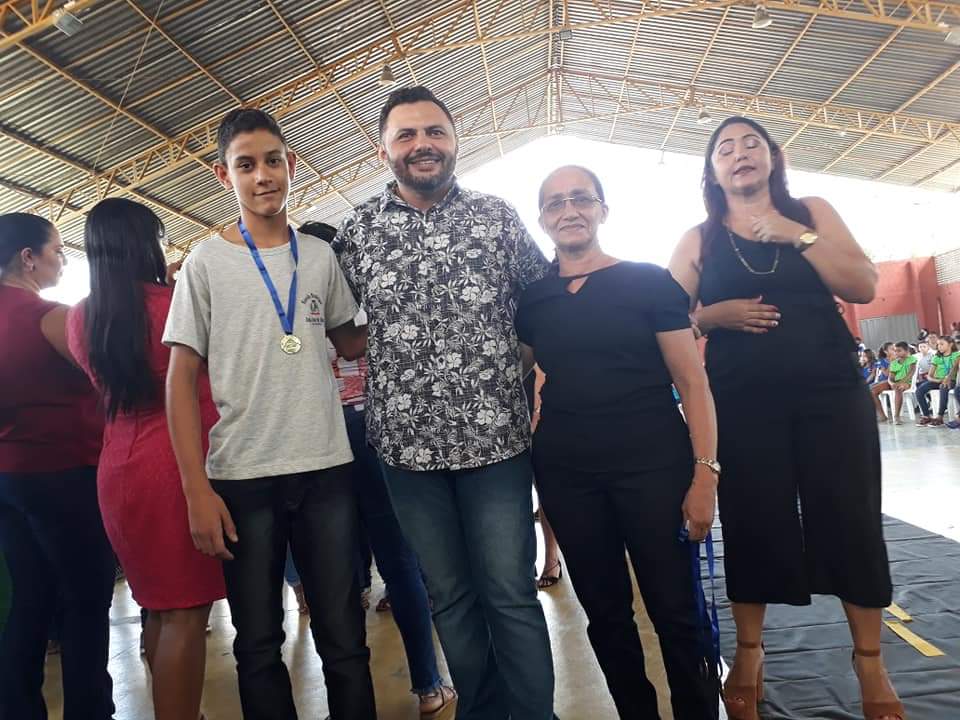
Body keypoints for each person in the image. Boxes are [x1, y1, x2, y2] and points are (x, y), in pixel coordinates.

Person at [333, 85, 556, 720]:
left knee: (509, 592)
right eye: (405, 135)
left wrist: (530, 378)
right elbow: (343, 329)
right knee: (451, 596)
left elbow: (542, 311)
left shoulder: (496, 218)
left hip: (497, 444)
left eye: (434, 132)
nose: (422, 144)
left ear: (456, 142)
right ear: (383, 150)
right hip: (405, 449)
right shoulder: (359, 232)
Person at [668, 116, 902, 720]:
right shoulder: (699, 239)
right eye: (725, 148)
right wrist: (712, 315)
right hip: (743, 406)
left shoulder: (812, 210)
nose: (740, 154)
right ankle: (750, 653)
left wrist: (796, 236)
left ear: (772, 157)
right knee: (754, 522)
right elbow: (664, 321)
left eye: (752, 144)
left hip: (831, 396)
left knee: (850, 518)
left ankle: (870, 662)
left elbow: (864, 285)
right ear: (712, 171)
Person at [164, 108, 375, 720]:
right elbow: (180, 381)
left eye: (273, 160)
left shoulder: (318, 256)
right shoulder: (205, 263)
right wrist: (195, 488)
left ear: (290, 163)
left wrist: (406, 301)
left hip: (326, 467)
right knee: (257, 643)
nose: (264, 176)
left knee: (345, 638)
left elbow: (349, 339)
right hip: (243, 476)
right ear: (223, 174)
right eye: (246, 164)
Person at [517, 165, 721, 719]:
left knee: (675, 610)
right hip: (567, 475)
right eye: (555, 203)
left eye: (581, 199)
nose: (569, 211)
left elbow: (692, 383)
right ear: (542, 219)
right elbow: (514, 375)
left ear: (603, 209)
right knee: (605, 614)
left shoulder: (648, 281)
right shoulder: (533, 300)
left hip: (654, 466)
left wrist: (705, 475)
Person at [65, 198, 227, 720]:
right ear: (146, 243)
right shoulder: (173, 303)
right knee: (185, 612)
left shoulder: (79, 318)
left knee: (159, 606)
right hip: (178, 468)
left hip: (119, 472)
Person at [298, 220, 458, 718]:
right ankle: (429, 687)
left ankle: (349, 700)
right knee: (401, 565)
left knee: (337, 576)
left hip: (321, 440)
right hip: (374, 434)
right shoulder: (366, 302)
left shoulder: (296, 307)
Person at [0, 213, 116, 720]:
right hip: (64, 471)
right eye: (56, 251)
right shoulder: (48, 317)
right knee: (86, 601)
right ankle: (90, 710)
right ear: (28, 257)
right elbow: (113, 377)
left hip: (8, 478)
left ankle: (18, 707)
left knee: (30, 596)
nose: (62, 260)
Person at [916, 337, 960, 427]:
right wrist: (938, 380)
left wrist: (947, 378)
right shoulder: (937, 357)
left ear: (951, 344)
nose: (939, 346)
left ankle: (940, 417)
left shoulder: (956, 355)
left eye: (942, 344)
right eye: (938, 344)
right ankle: (926, 415)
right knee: (919, 390)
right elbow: (929, 376)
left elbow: (955, 367)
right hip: (938, 380)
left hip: (951, 380)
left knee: (943, 387)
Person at [871, 342, 916, 424]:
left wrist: (901, 382)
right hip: (895, 383)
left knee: (898, 389)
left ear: (906, 351)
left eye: (899, 351)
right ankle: (882, 415)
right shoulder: (894, 363)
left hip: (907, 383)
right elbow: (890, 378)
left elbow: (911, 373)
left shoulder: (911, 359)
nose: (896, 353)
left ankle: (896, 416)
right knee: (873, 391)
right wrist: (891, 383)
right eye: (895, 351)